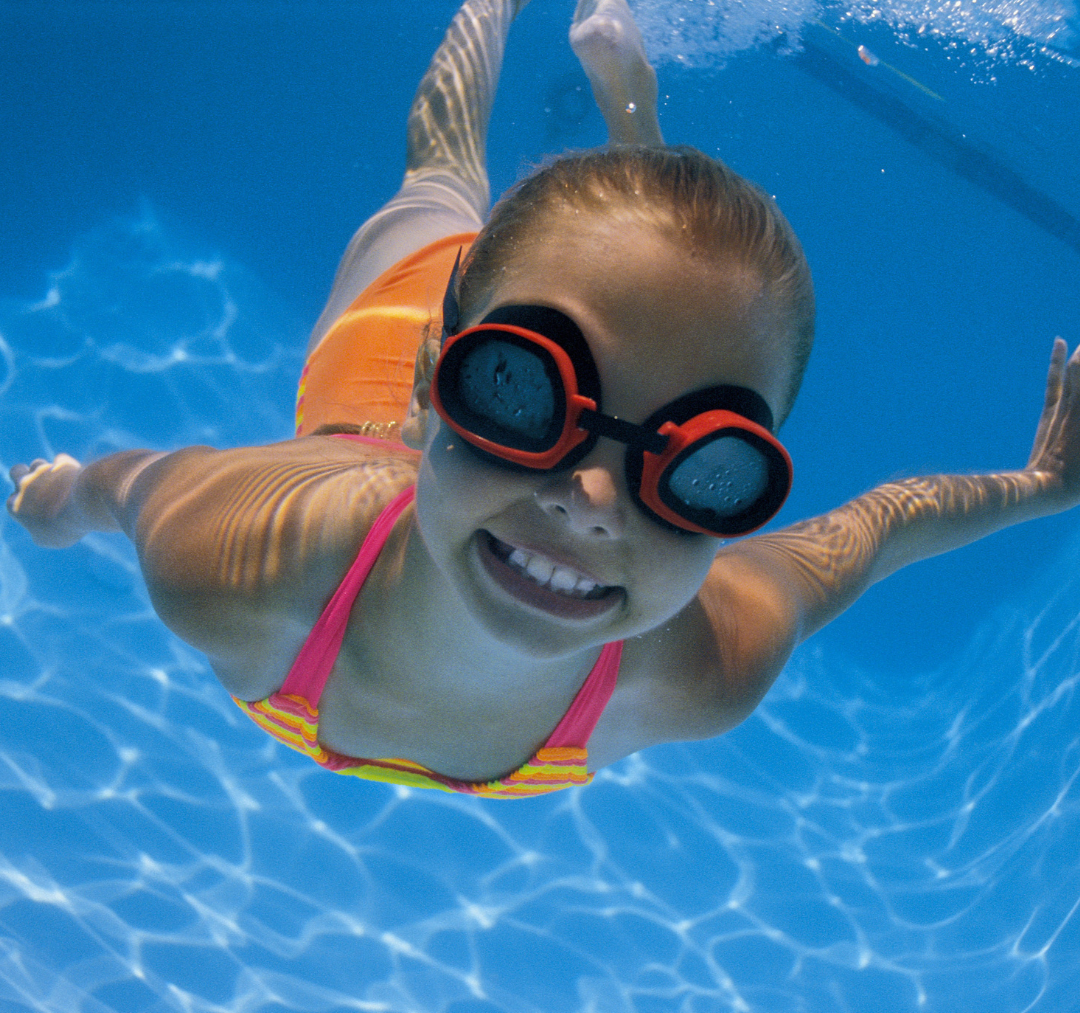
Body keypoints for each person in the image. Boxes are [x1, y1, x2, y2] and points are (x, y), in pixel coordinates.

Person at [6, 0, 1080, 798]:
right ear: (445, 378)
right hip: (373, 362)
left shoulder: (705, 669)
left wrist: (1042, 488)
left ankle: (627, 154)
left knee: (632, 288)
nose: (594, 500)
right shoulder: (237, 560)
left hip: (470, 340)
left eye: (701, 465)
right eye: (522, 392)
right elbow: (125, 487)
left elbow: (868, 536)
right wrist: (63, 501)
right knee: (440, 177)